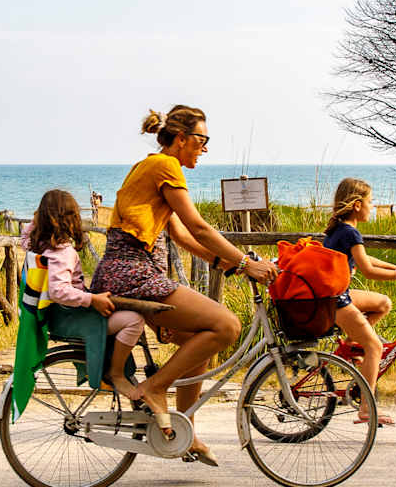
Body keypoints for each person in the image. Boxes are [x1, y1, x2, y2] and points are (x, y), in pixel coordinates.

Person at [90, 105, 278, 465]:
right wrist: (246, 263)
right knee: (226, 325)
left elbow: (179, 233)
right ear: (181, 139)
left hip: (125, 270)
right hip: (133, 272)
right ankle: (155, 388)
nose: (204, 149)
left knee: (199, 342)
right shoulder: (167, 166)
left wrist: (224, 263)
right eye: (201, 141)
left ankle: (184, 429)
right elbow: (199, 227)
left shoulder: (150, 166)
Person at [323, 177, 396, 425]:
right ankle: (366, 409)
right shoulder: (349, 232)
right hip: (337, 299)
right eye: (371, 201)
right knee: (375, 347)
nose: (373, 206)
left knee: (382, 303)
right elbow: (368, 270)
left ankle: (350, 346)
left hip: (335, 293)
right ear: (357, 204)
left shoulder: (341, 229)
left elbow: (365, 258)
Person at [26, 189, 145, 401]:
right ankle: (114, 373)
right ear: (69, 220)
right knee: (134, 320)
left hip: (56, 316)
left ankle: (109, 368)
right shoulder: (62, 253)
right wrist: (92, 299)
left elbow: (27, 232)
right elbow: (58, 290)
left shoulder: (37, 246)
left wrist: (39, 219)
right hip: (73, 319)